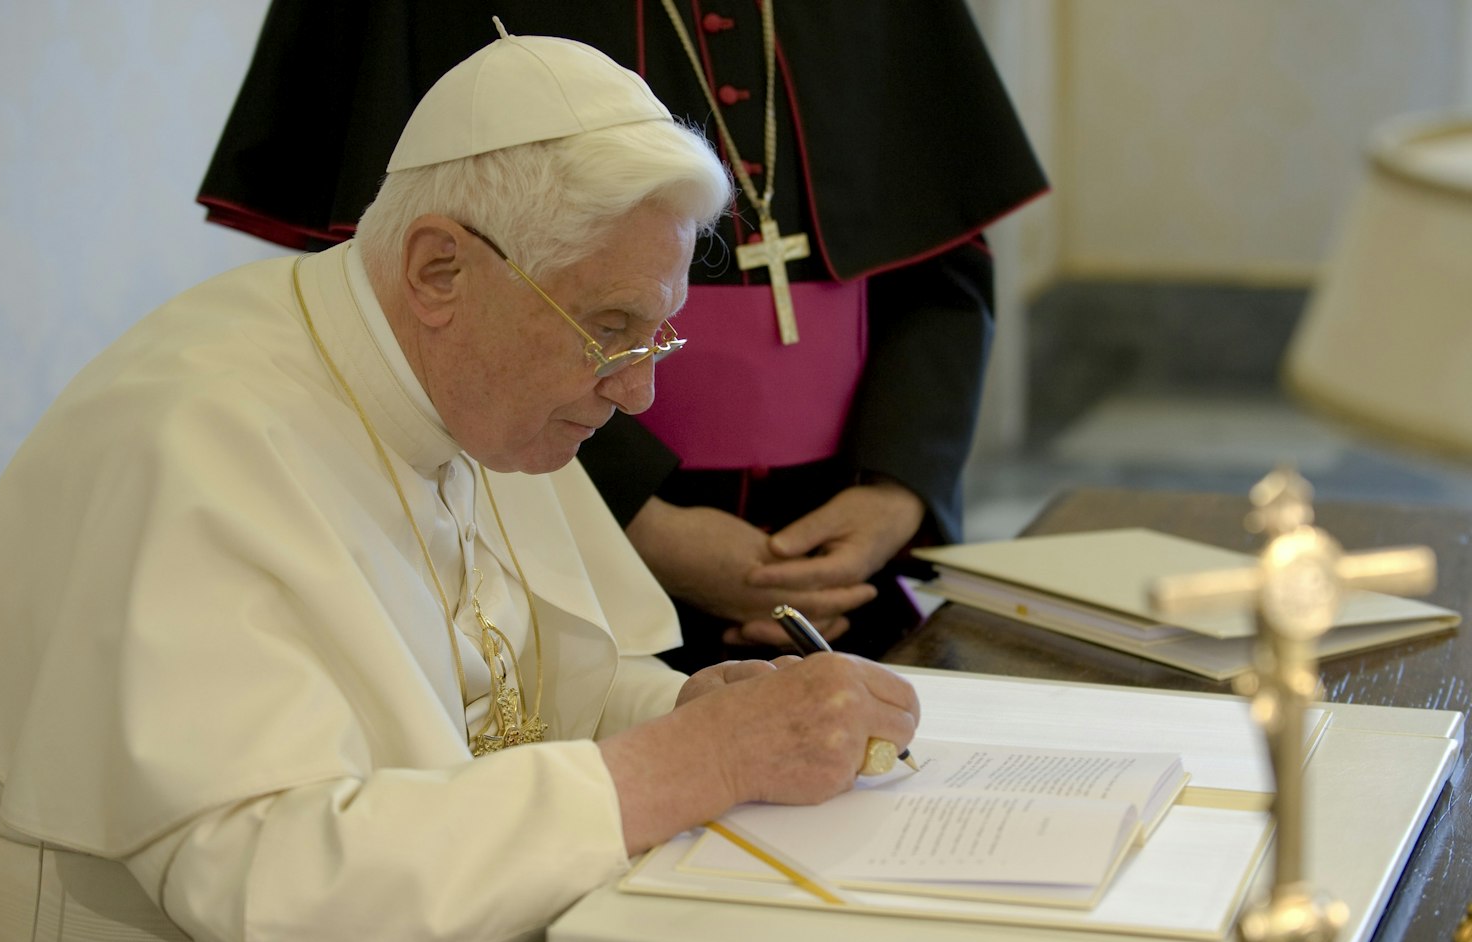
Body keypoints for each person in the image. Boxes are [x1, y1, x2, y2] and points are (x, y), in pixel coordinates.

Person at [0, 27, 918, 942]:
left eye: (656, 334)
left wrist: (696, 712)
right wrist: (691, 762)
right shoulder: (195, 437)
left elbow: (529, 690)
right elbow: (275, 898)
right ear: (440, 269)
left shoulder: (473, 388)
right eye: (613, 329)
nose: (639, 390)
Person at [197, 0, 1050, 672]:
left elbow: (942, 256)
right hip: (553, 517)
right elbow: (400, 297)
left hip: (846, 547)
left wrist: (896, 490)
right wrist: (641, 524)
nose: (639, 371)